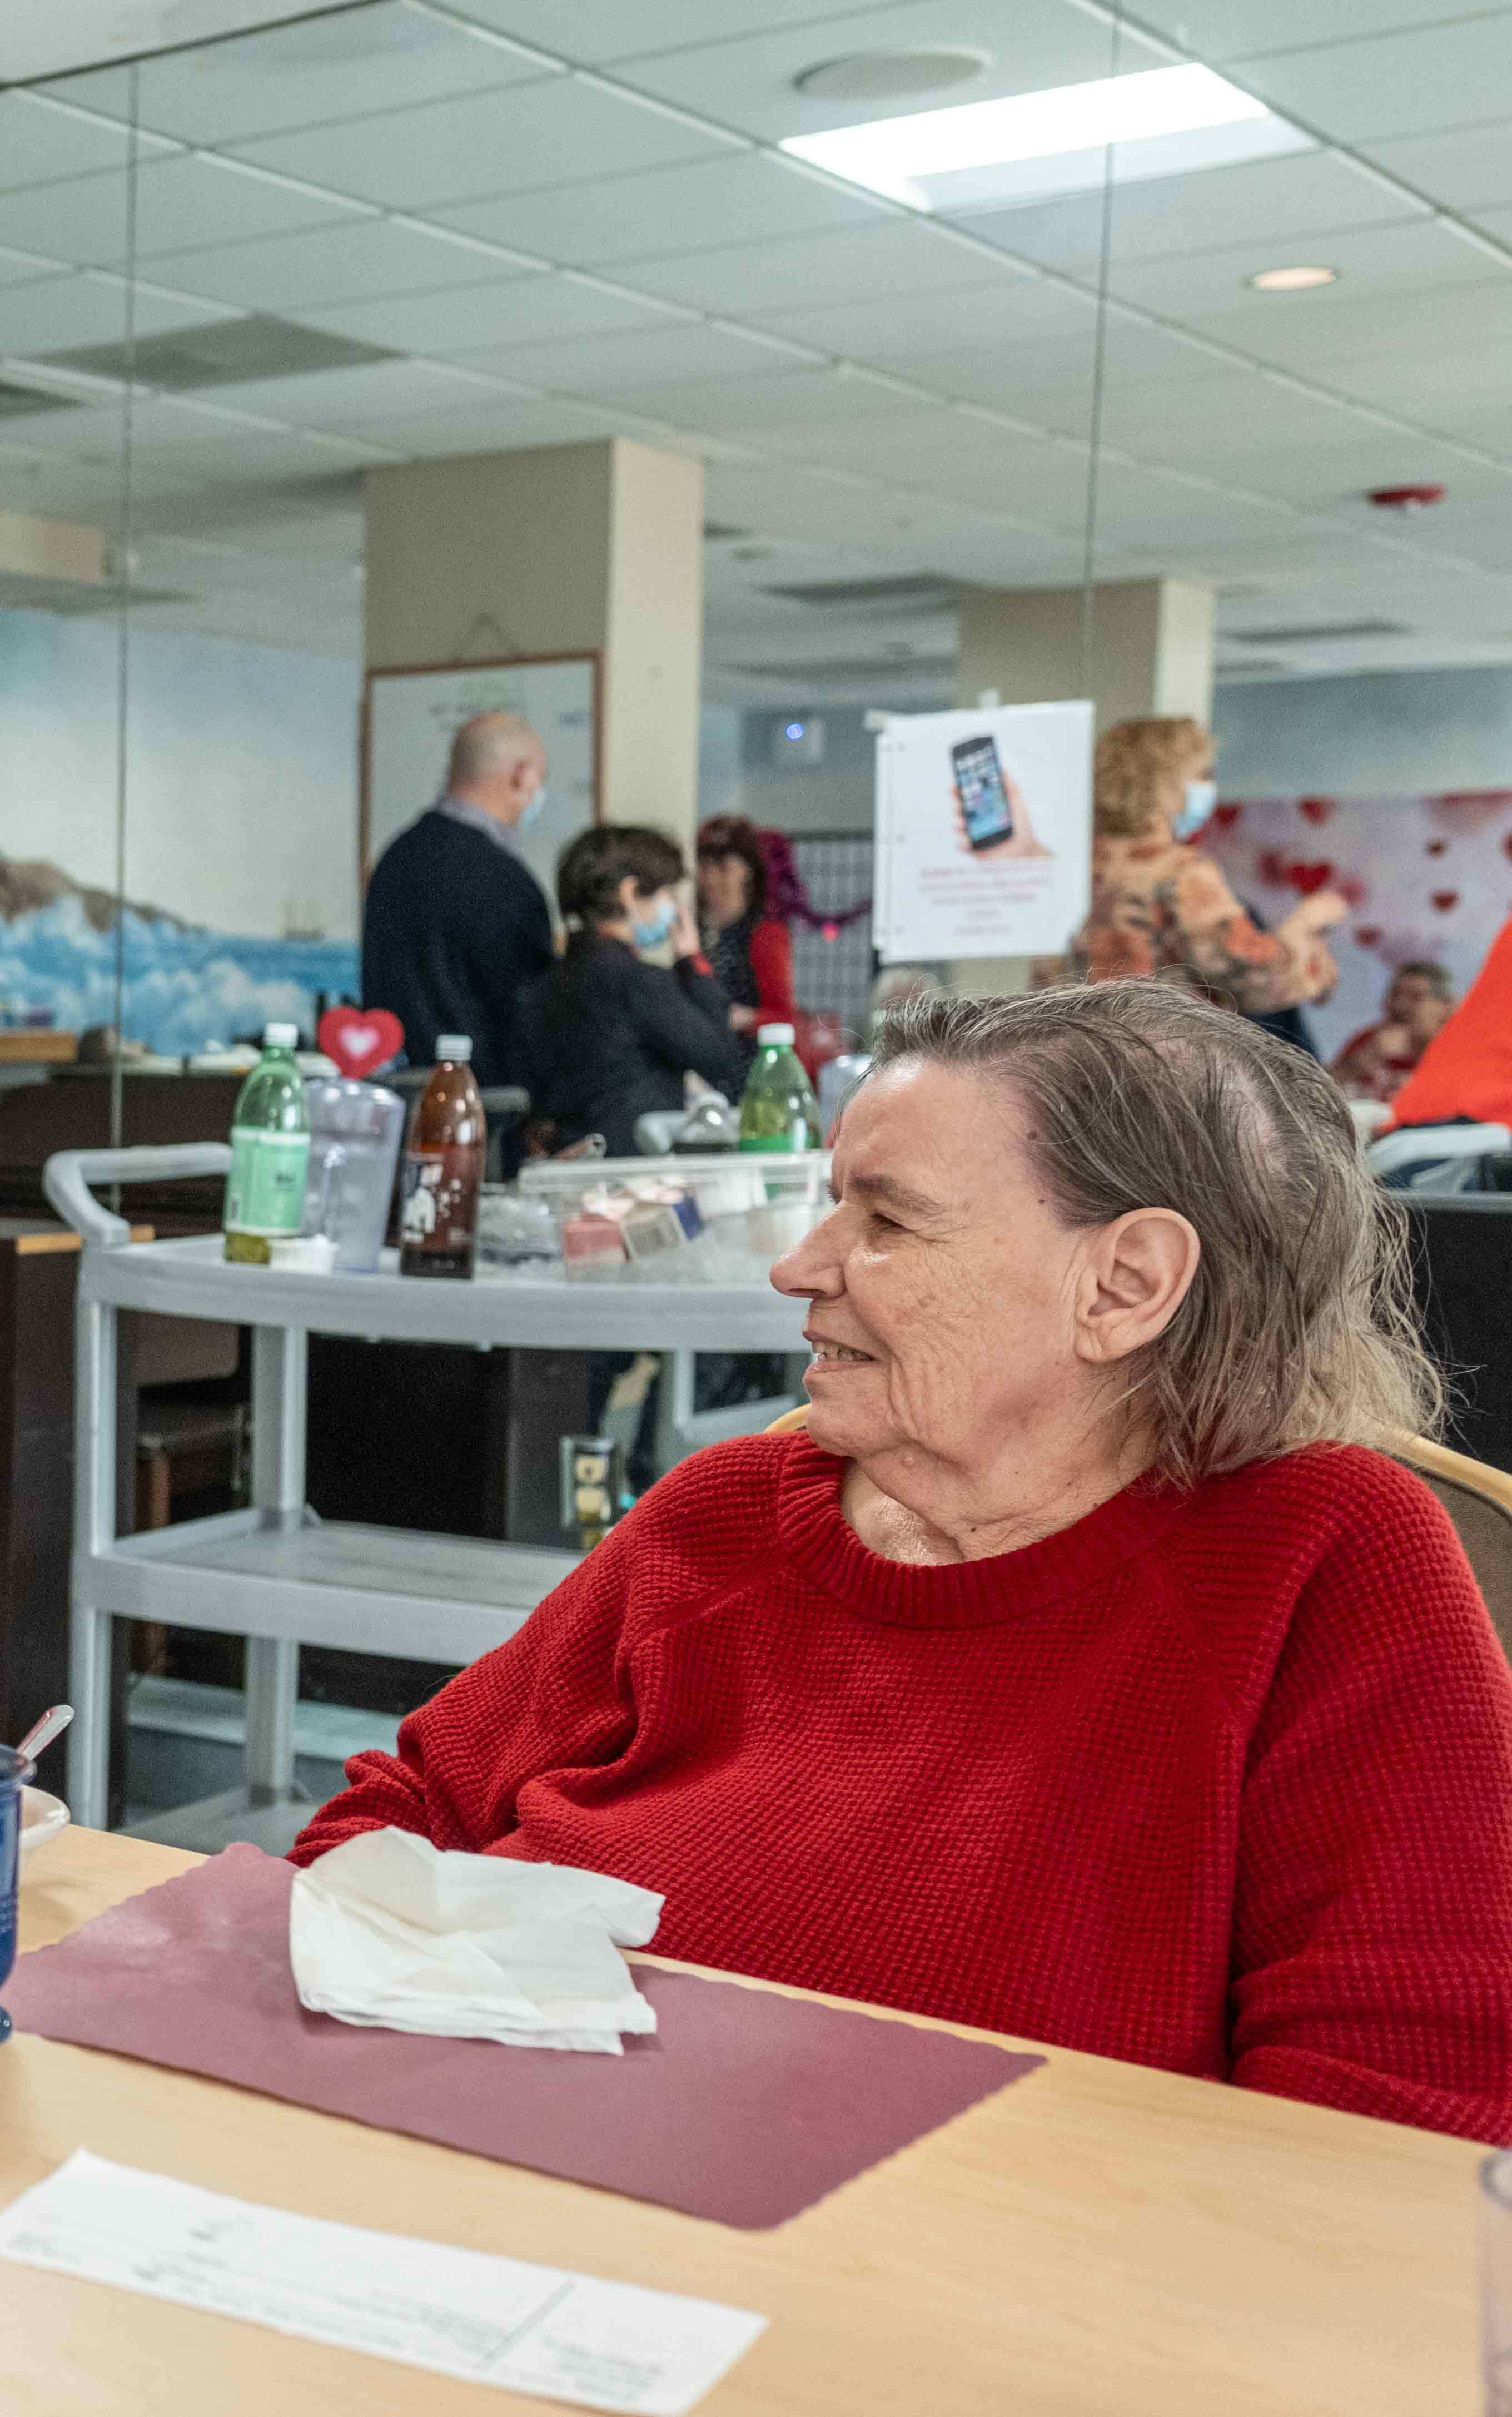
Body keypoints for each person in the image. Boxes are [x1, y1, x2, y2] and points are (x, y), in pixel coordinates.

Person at [295, 981, 1512, 2140]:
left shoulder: (1326, 1562)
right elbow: (393, 1825)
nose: (800, 1266)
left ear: (1125, 1283)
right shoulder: (721, 1513)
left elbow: (1391, 2135)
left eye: (885, 1220)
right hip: (510, 2199)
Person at [1052, 714, 1341, 1040]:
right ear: (1164, 784)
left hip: (1079, 1052)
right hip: (1162, 1056)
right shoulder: (1178, 870)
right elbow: (1253, 978)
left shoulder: (1075, 868)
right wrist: (1308, 920)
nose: (1209, 787)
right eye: (1202, 775)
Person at [526, 824, 752, 1155]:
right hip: (632, 1168)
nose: (673, 908)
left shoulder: (545, 983)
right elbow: (719, 1055)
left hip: (568, 1161)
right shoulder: (638, 982)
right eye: (666, 894)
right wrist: (692, 963)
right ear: (630, 893)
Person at [360, 712, 556, 1086]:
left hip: (396, 1097)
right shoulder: (506, 880)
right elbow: (528, 1018)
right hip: (478, 1107)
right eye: (541, 779)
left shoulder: (395, 857)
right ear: (522, 776)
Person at [691, 813, 797, 1030]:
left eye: (722, 868)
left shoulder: (764, 933)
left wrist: (739, 1018)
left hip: (747, 1057)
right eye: (704, 867)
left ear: (748, 872)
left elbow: (784, 1017)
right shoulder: (692, 928)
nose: (710, 879)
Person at [1335, 960, 1459, 1105]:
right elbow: (1318, 1091)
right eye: (1395, 995)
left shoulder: (1458, 1052)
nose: (1401, 1006)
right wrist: (1364, 1059)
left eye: (1415, 997)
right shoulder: (1368, 1040)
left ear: (1446, 1006)